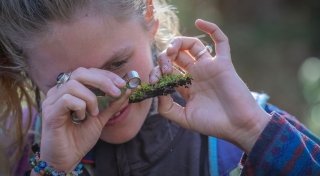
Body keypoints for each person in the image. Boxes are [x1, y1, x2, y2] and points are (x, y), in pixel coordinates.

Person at [0, 0, 319, 176]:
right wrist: (52, 170)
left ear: (150, 18)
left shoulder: (245, 131)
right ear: (25, 69)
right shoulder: (16, 145)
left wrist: (252, 130)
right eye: (66, 81)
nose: (109, 94)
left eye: (118, 63)